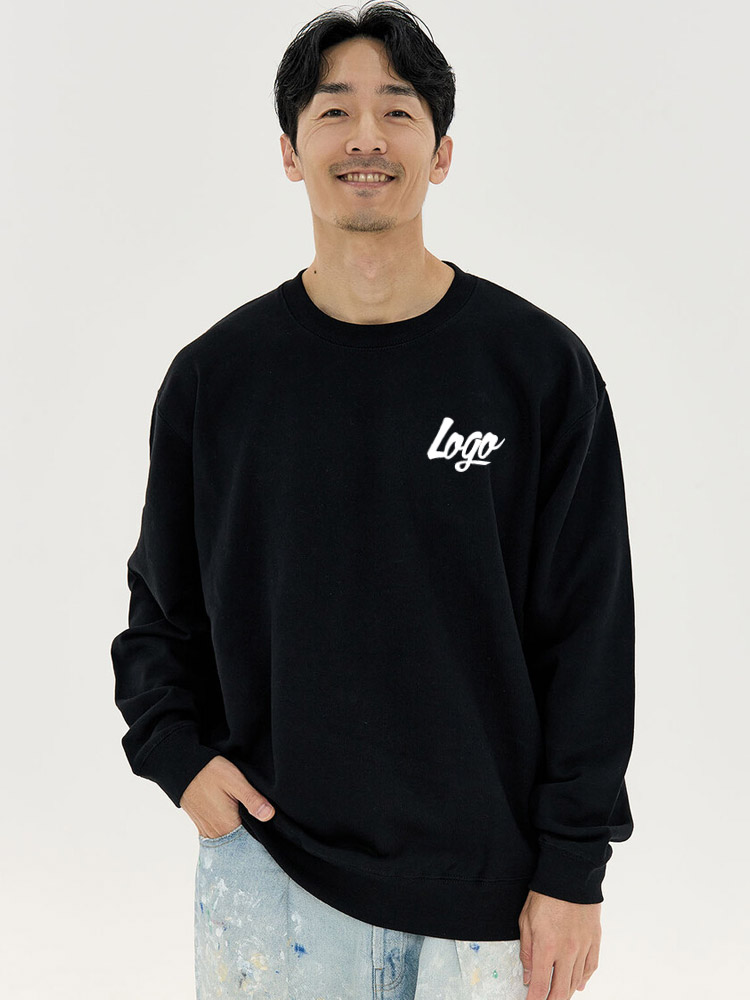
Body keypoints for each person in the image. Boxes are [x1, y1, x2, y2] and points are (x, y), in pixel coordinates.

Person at [110, 3, 636, 998]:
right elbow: (159, 615)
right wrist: (177, 758)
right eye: (333, 111)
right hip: (272, 870)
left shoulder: (536, 369)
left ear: (441, 154)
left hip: (494, 894)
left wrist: (574, 865)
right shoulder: (218, 379)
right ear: (289, 151)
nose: (365, 137)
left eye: (397, 111)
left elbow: (590, 636)